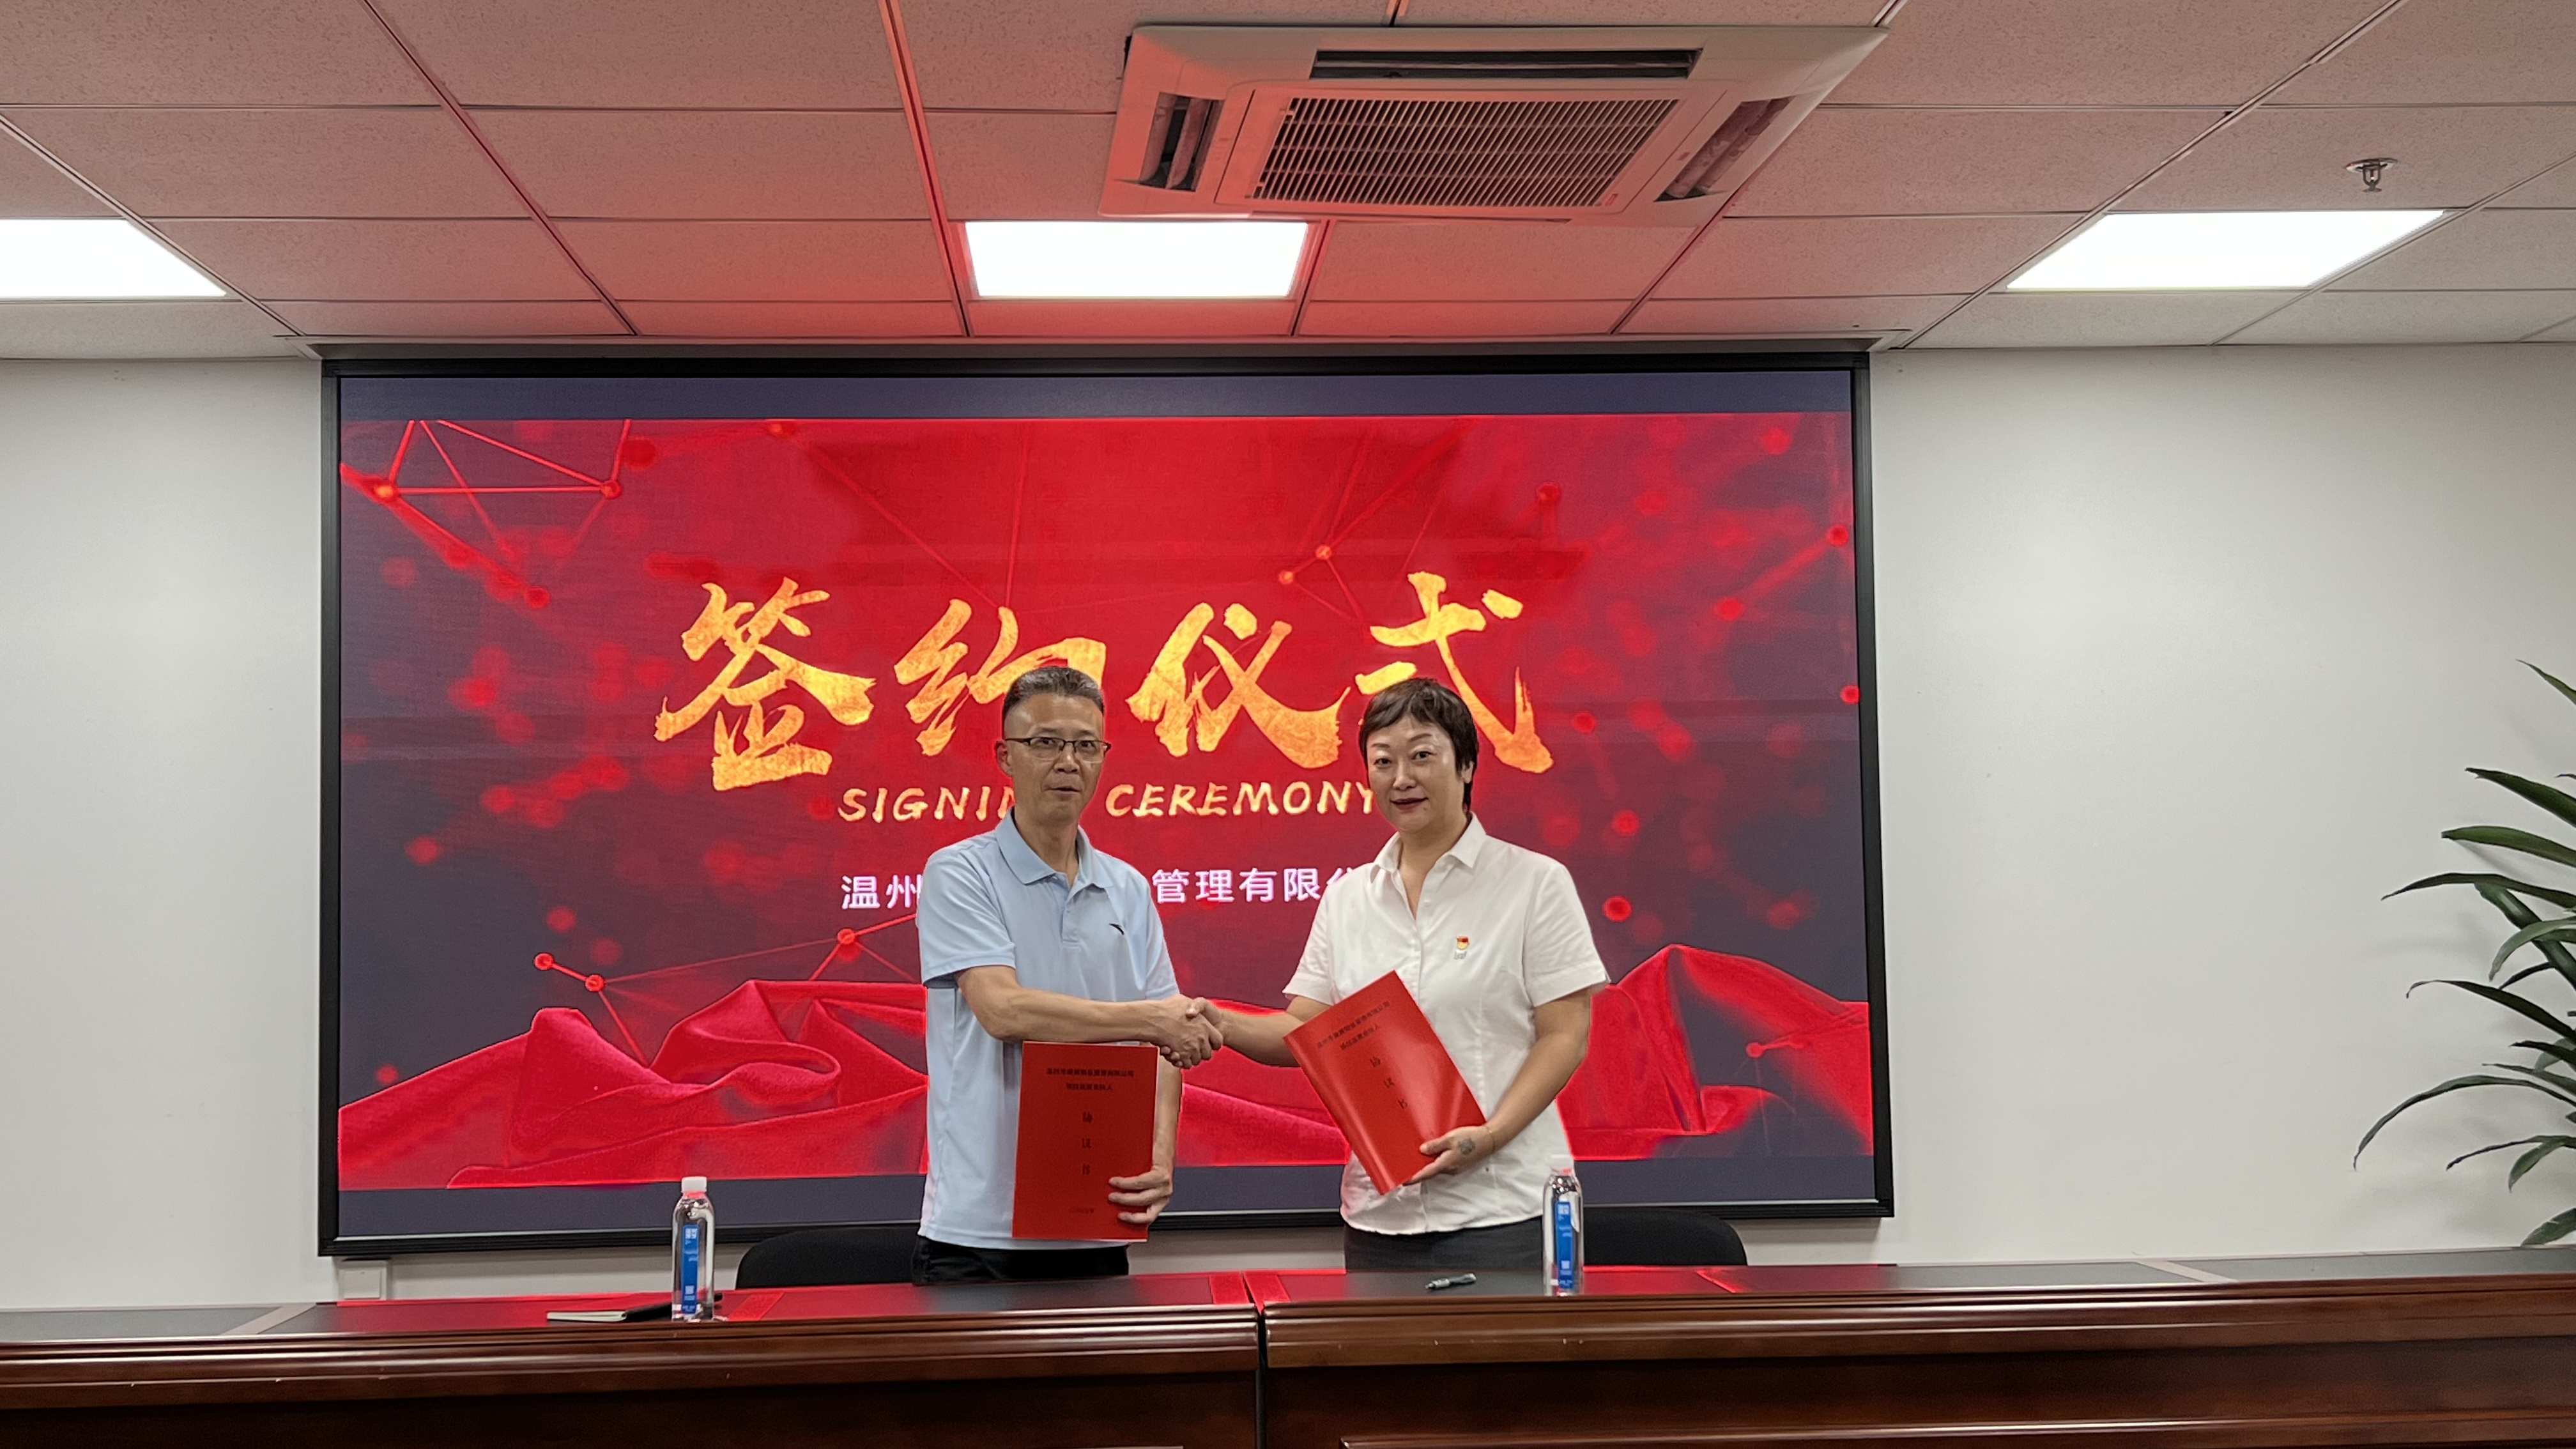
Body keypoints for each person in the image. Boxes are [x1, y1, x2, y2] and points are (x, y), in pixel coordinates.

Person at [1211, 677, 1606, 1271]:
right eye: (1383, 761)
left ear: (1466, 765)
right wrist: (1212, 1021)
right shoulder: (1347, 899)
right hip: (1380, 1214)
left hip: (1500, 1209)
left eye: (1422, 755)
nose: (1401, 778)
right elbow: (1305, 1032)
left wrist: (1490, 1136)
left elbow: (1565, 1036)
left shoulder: (1534, 884)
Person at [911, 665, 1223, 1284]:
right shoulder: (960, 872)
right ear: (1005, 756)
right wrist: (1151, 1020)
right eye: (1046, 743)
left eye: (1086, 746)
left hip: (1098, 1215)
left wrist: (1158, 1156)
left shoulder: (1128, 888)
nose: (1068, 762)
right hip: (980, 1231)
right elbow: (1003, 1011)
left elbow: (1165, 1045)